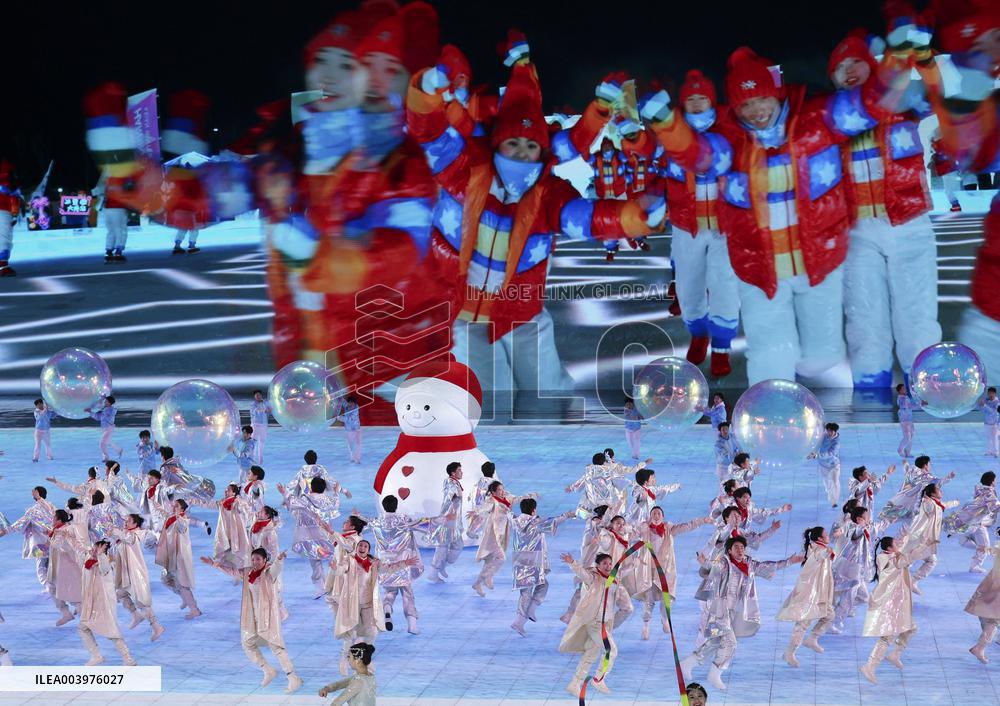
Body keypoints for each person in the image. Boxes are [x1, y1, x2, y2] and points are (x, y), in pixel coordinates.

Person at [645, 38, 916, 384]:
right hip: (759, 268)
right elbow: (700, 156)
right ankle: (768, 406)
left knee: (823, 355)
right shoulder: (731, 142)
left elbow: (870, 104)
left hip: (817, 262)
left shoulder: (818, 120)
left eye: (762, 98)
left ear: (776, 93)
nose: (756, 110)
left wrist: (903, 55)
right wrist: (667, 124)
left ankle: (798, 368)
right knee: (770, 356)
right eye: (745, 104)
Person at [408, 32, 661, 397]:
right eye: (513, 143)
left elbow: (584, 216)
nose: (522, 153)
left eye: (531, 146)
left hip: (521, 313)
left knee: (548, 395)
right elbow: (428, 133)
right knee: (487, 400)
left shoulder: (546, 193)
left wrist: (635, 217)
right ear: (498, 143)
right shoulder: (464, 172)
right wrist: (425, 90)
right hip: (463, 316)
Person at [827, 32, 941, 388]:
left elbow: (936, 94)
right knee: (864, 317)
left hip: (908, 222)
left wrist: (923, 57)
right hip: (857, 231)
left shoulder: (900, 100)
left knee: (917, 314)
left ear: (872, 65)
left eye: (856, 62)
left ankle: (925, 388)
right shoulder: (830, 117)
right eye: (840, 67)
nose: (848, 70)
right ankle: (870, 388)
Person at [662, 71, 740, 377]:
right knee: (689, 287)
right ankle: (698, 334)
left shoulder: (730, 129)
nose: (696, 104)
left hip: (723, 227)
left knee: (724, 285)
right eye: (690, 99)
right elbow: (656, 170)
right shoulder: (671, 135)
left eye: (702, 98)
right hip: (687, 226)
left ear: (712, 100)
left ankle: (721, 347)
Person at [681, 536, 802, 691]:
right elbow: (713, 566)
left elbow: (768, 566)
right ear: (729, 550)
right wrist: (704, 562)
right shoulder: (724, 563)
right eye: (736, 547)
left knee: (715, 642)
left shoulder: (749, 564)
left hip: (735, 611)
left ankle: (687, 663)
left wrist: (790, 561)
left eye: (742, 547)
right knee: (730, 643)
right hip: (720, 610)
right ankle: (715, 673)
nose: (740, 550)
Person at [201, 548, 302, 693]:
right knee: (247, 643)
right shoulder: (249, 573)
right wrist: (213, 564)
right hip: (254, 617)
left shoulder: (268, 573)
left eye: (258, 559)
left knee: (276, 648)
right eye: (253, 559)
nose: (255, 562)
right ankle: (268, 670)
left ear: (265, 560)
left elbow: (276, 569)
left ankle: (293, 678)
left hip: (268, 617)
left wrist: (279, 560)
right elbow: (233, 572)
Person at [363, 495, 452, 635]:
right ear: (396, 506)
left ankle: (387, 610)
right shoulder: (404, 520)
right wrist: (442, 519)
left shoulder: (376, 521)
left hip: (384, 564)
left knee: (389, 592)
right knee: (407, 594)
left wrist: (357, 515)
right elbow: (423, 523)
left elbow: (365, 521)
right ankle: (412, 625)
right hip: (403, 563)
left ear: (383, 506)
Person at [859, 535, 935, 684]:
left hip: (896, 603)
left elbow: (905, 553)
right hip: (891, 605)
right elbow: (910, 557)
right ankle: (870, 666)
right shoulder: (892, 560)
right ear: (889, 548)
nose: (898, 545)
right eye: (895, 543)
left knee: (911, 628)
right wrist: (924, 544)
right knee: (887, 637)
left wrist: (906, 539)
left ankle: (895, 654)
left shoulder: (888, 557)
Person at [633, 506, 712, 640]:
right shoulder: (644, 529)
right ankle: (646, 624)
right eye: (654, 513)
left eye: (659, 513)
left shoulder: (669, 529)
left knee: (666, 599)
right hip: (648, 570)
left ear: (662, 517)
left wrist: (702, 520)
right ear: (650, 516)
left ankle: (664, 619)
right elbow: (630, 533)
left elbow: (687, 526)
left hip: (665, 570)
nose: (656, 516)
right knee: (648, 600)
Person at [558, 552, 623, 695]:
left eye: (610, 563)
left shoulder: (614, 580)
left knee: (591, 655)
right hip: (595, 623)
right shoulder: (594, 578)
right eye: (604, 563)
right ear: (598, 565)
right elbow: (582, 573)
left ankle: (575, 683)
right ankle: (598, 679)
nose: (608, 566)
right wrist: (572, 562)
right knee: (611, 650)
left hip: (604, 623)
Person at [509, 499, 574, 636]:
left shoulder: (516, 520)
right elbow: (553, 521)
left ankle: (528, 612)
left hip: (520, 560)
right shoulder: (535, 523)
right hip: (532, 561)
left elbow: (508, 514)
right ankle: (520, 620)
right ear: (533, 510)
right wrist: (567, 515)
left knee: (539, 585)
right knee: (528, 591)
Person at [777, 527, 836, 666]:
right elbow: (818, 556)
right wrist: (826, 552)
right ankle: (790, 652)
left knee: (829, 615)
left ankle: (812, 638)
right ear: (820, 538)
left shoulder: (821, 548)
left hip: (820, 592)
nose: (828, 536)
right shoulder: (816, 549)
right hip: (810, 593)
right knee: (803, 623)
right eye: (826, 534)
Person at [278, 477, 342, 596]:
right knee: (332, 557)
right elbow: (336, 504)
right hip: (325, 532)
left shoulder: (306, 498)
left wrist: (284, 492)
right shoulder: (328, 499)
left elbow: (292, 502)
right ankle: (335, 585)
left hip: (309, 534)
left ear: (311, 487)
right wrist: (336, 492)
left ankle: (320, 588)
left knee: (315, 559)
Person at [77, 541, 137, 666]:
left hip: (103, 604)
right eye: (93, 548)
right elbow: (81, 554)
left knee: (111, 631)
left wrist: (100, 554)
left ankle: (127, 658)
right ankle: (97, 656)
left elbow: (104, 568)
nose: (93, 550)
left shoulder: (106, 562)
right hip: (91, 604)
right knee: (83, 627)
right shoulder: (90, 562)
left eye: (96, 549)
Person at [111, 514, 164, 641]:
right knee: (119, 594)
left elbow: (128, 539)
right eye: (126, 520)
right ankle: (136, 615)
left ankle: (157, 627)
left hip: (136, 574)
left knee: (142, 602)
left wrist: (115, 531)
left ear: (135, 524)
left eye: (129, 521)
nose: (125, 522)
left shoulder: (136, 534)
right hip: (126, 574)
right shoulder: (125, 534)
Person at [903, 483, 960, 595]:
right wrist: (924, 498)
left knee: (928, 561)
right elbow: (927, 506)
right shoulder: (928, 503)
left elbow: (945, 505)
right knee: (912, 561)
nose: (941, 491)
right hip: (920, 539)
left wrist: (956, 502)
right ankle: (905, 582)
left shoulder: (937, 504)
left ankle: (911, 582)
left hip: (926, 540)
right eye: (938, 489)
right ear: (932, 493)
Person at [0, 486, 56, 590]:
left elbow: (20, 524)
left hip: (40, 545)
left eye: (34, 491)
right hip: (54, 542)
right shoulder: (51, 507)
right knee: (50, 566)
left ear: (37, 494)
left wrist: (6, 531)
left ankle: (50, 588)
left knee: (41, 569)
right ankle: (53, 587)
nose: (32, 493)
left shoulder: (33, 510)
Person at [155, 499, 202, 620]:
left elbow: (182, 527)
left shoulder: (183, 520)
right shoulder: (172, 518)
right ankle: (186, 599)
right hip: (171, 555)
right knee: (166, 579)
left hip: (179, 557)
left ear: (182, 509)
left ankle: (194, 609)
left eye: (176, 506)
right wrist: (161, 509)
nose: (173, 507)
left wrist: (177, 517)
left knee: (183, 583)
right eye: (174, 505)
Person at [945, 472, 1000, 573]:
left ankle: (974, 562)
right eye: (995, 479)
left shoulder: (979, 488)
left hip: (976, 521)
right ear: (992, 481)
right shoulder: (990, 494)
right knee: (983, 545)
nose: (996, 481)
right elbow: (996, 507)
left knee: (981, 544)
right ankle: (974, 562)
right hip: (975, 521)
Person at [879, 455, 955, 528]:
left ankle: (883, 524)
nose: (930, 466)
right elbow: (939, 482)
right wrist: (949, 477)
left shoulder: (912, 470)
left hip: (902, 497)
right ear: (925, 465)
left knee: (897, 516)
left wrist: (905, 463)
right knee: (910, 520)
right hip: (912, 502)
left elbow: (906, 469)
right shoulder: (927, 477)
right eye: (929, 464)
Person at [192, 483, 253, 573]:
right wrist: (193, 501)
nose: (225, 491)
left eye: (228, 490)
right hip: (225, 533)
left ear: (234, 493)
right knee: (225, 554)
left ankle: (243, 573)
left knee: (240, 555)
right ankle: (234, 572)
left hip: (236, 533)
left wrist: (239, 502)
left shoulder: (239, 502)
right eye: (225, 489)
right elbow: (208, 504)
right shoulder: (222, 503)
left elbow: (246, 510)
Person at [47, 508, 88, 626]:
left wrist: (49, 539)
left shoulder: (64, 531)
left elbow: (57, 544)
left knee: (73, 594)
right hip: (59, 566)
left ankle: (85, 621)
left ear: (59, 520)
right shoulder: (60, 530)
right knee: (53, 587)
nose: (52, 519)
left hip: (67, 567)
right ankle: (66, 613)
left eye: (54, 517)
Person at [427, 462, 465, 583]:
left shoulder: (452, 483)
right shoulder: (452, 485)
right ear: (453, 473)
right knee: (442, 547)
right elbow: (449, 500)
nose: (461, 472)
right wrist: (447, 514)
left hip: (453, 521)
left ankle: (442, 566)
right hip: (448, 520)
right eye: (459, 470)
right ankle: (433, 573)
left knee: (457, 545)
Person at [966, 547, 1000, 663]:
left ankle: (981, 647)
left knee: (988, 616)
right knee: (993, 620)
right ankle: (979, 647)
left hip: (991, 583)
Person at [318, 641, 377, 705]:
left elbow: (337, 702)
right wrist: (327, 688)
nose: (347, 659)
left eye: (349, 656)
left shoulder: (358, 681)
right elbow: (340, 684)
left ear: (358, 660)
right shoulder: (371, 677)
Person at [807, 422, 841, 507]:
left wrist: (817, 455)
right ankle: (832, 499)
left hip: (834, 465)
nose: (829, 433)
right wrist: (812, 453)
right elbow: (817, 443)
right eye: (828, 431)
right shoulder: (824, 436)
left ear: (835, 431)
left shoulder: (836, 443)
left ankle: (835, 500)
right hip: (823, 464)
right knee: (827, 483)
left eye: (831, 431)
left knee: (835, 481)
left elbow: (830, 453)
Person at [86, 395, 122, 461]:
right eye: (105, 401)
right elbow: (98, 417)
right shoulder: (106, 410)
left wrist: (92, 411)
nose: (104, 402)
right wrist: (90, 412)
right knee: (108, 442)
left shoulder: (111, 410)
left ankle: (106, 457)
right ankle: (119, 450)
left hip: (108, 428)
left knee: (102, 443)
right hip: (105, 428)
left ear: (109, 403)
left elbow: (100, 415)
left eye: (106, 401)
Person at [896, 383, 921, 458]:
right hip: (905, 420)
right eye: (903, 388)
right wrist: (921, 404)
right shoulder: (901, 399)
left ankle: (907, 452)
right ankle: (900, 449)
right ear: (900, 391)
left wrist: (920, 403)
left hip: (909, 419)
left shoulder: (905, 397)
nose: (905, 389)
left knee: (911, 435)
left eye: (905, 388)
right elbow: (909, 406)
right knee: (907, 436)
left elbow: (910, 405)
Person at [337, 396, 363, 464]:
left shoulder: (355, 409)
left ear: (354, 403)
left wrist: (340, 418)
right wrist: (339, 396)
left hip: (356, 429)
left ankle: (357, 459)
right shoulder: (347, 406)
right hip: (349, 430)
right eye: (349, 403)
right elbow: (343, 401)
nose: (350, 404)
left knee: (358, 444)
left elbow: (350, 419)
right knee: (350, 444)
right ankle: (352, 457)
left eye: (352, 403)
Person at [249, 391, 271, 464]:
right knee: (253, 442)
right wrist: (264, 410)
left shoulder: (266, 403)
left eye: (259, 395)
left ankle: (260, 459)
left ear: (261, 395)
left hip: (264, 425)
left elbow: (270, 411)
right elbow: (256, 411)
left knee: (262, 442)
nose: (258, 396)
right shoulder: (253, 404)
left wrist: (270, 410)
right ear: (254, 397)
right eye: (256, 395)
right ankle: (252, 458)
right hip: (255, 425)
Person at [978, 387, 999, 456]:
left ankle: (996, 452)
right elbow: (982, 411)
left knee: (994, 438)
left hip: (995, 423)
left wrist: (984, 406)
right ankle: (989, 451)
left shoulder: (997, 402)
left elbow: (993, 412)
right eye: (989, 393)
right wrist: (980, 405)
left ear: (995, 393)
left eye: (992, 393)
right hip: (987, 422)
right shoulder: (986, 401)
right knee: (988, 437)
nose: (990, 395)